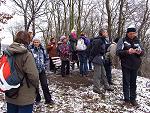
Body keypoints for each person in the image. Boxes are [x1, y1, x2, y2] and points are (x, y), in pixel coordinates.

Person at [5, 31, 39, 113]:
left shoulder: (7, 53)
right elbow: (33, 75)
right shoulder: (27, 55)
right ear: (27, 40)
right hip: (25, 95)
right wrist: (36, 88)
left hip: (10, 92)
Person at [116, 27, 144, 106]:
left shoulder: (138, 41)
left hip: (135, 65)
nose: (132, 35)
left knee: (133, 83)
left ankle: (133, 99)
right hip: (126, 65)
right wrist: (127, 51)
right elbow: (118, 52)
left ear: (135, 33)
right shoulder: (122, 40)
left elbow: (143, 52)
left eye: (133, 33)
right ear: (127, 33)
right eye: (130, 34)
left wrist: (140, 52)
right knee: (126, 82)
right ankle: (127, 100)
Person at [29, 36, 54, 105]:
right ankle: (37, 99)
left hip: (42, 70)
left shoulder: (42, 49)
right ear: (33, 42)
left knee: (45, 85)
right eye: (35, 42)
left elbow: (46, 58)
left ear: (39, 42)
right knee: (35, 86)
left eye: (37, 42)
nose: (36, 43)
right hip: (34, 71)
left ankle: (48, 99)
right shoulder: (30, 50)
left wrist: (45, 66)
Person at [89, 29, 113, 95]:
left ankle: (106, 86)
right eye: (106, 32)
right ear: (102, 33)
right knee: (97, 74)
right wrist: (91, 58)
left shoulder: (103, 40)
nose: (107, 33)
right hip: (97, 58)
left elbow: (103, 49)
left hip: (101, 58)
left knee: (104, 74)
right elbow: (94, 50)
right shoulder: (98, 40)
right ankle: (96, 88)